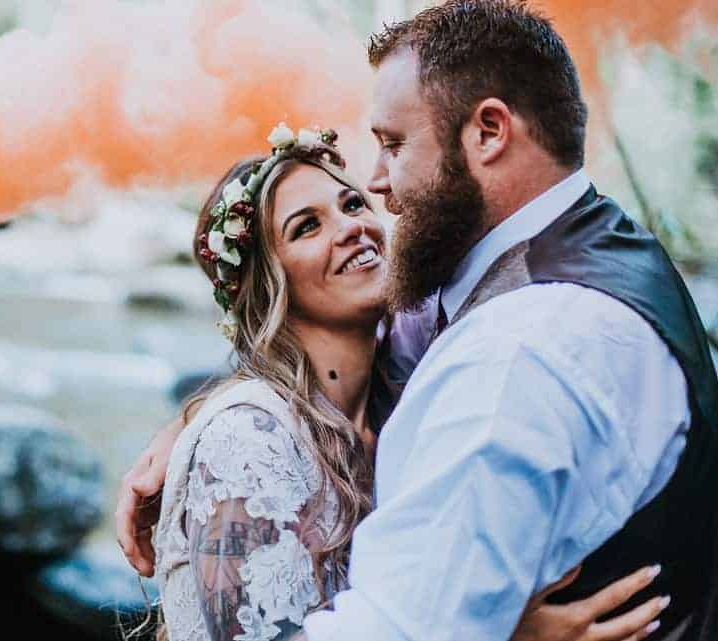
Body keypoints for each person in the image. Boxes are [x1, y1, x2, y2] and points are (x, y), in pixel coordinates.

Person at [120, 0, 718, 641]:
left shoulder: (518, 346)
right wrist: (199, 424)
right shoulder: (584, 256)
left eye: (393, 145)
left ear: (489, 132)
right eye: (307, 226)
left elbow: (409, 626)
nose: (377, 187)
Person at [148, 125, 667, 641]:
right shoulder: (246, 438)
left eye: (352, 205)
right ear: (265, 286)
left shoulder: (412, 383)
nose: (352, 228)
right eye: (307, 226)